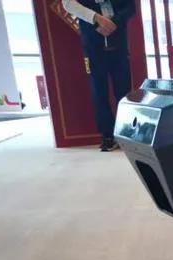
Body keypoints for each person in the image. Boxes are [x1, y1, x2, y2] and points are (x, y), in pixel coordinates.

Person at [62, 0, 135, 151]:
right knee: (98, 91)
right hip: (92, 43)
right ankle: (108, 135)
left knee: (124, 91)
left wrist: (114, 21)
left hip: (119, 41)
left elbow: (130, 7)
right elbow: (68, 4)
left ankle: (127, 133)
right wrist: (96, 18)